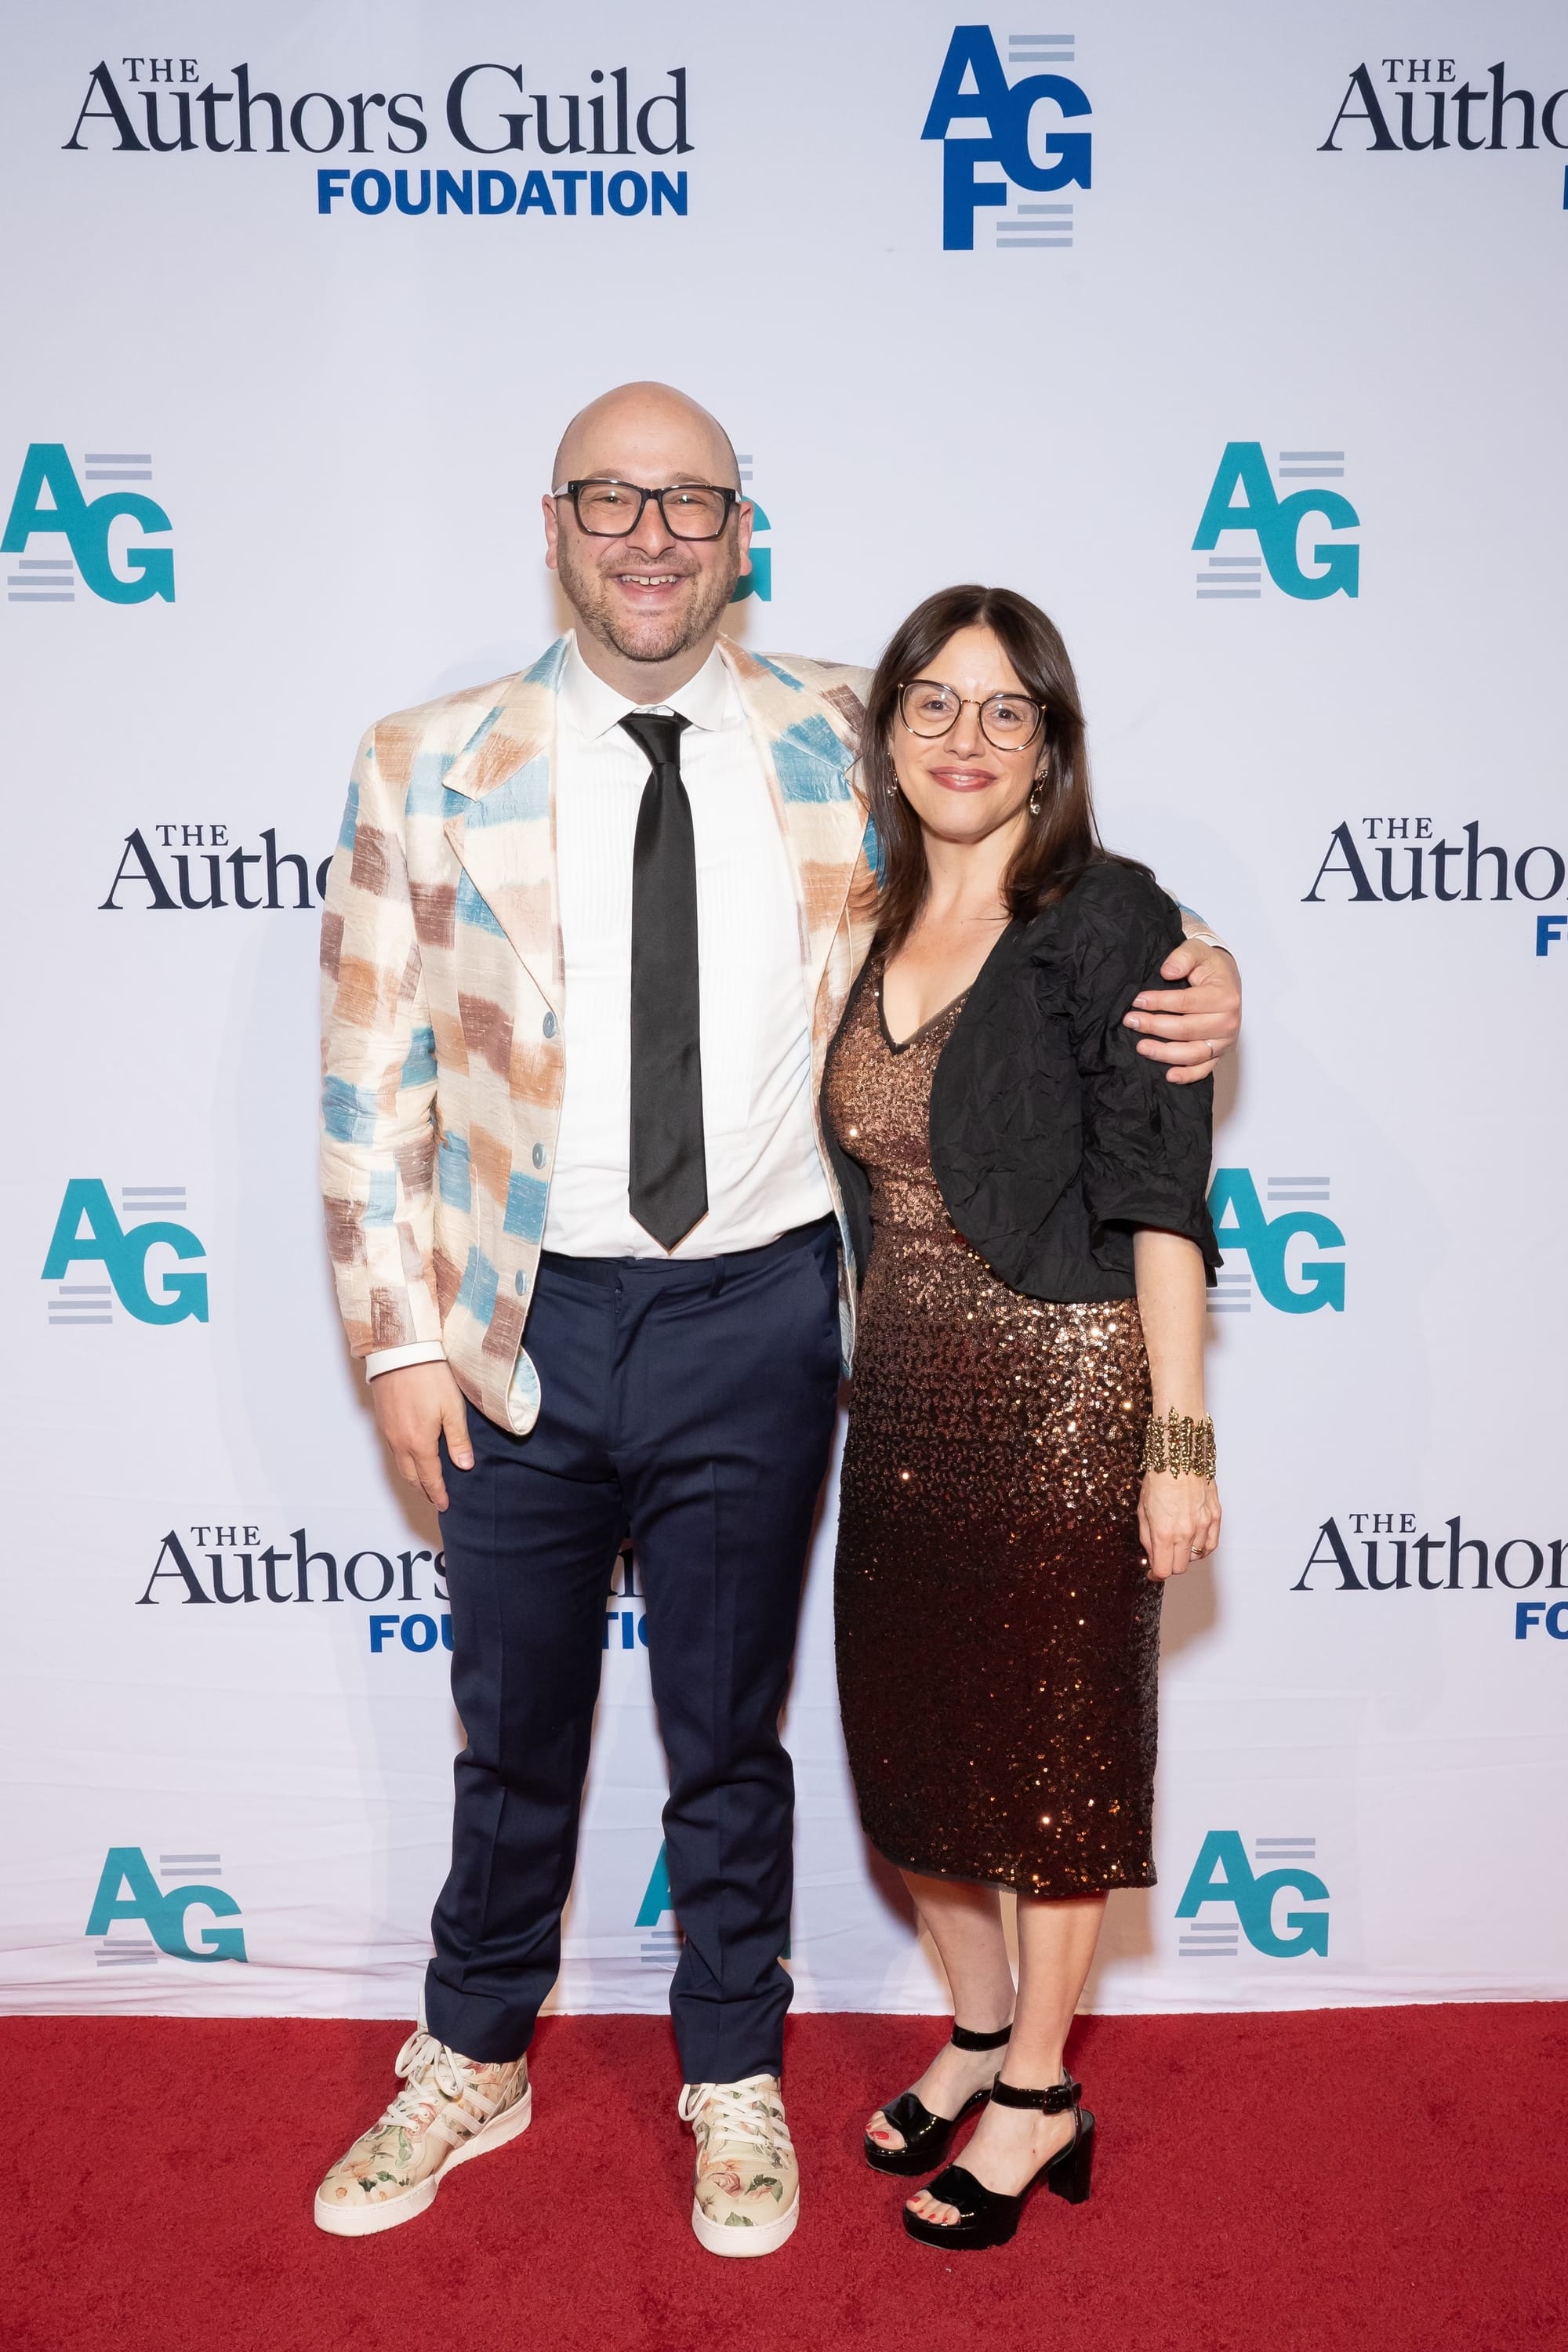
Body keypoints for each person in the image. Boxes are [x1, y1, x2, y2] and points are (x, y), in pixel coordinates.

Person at [314, 384, 1241, 2256]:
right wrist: (397, 1339)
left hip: (759, 1312)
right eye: (610, 500)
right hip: (515, 1326)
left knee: (728, 1737)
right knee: (510, 1730)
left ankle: (733, 2068)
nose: (650, 536)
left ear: (743, 534)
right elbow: (365, 1072)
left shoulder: (844, 728)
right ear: (553, 527)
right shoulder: (425, 760)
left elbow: (1037, 887)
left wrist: (1203, 971)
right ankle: (472, 2051)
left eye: (691, 502)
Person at [823, 584, 1221, 2252]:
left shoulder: (1110, 918)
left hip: (1064, 1398)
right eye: (934, 702)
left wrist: (1176, 1443)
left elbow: (1160, 1193)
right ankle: (981, 2031)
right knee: (912, 1757)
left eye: (1008, 710)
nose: (967, 738)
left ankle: (1044, 2090)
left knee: (1053, 1777)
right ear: (888, 728)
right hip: (902, 1401)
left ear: (1050, 744)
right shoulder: (863, 916)